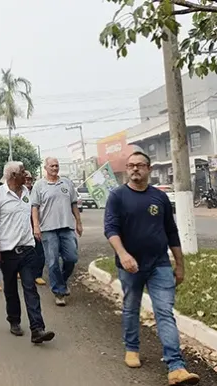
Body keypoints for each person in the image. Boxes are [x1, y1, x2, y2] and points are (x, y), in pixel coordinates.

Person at [104, 152, 200, 385]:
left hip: (159, 264)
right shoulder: (117, 196)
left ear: (149, 168)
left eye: (139, 165)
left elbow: (171, 232)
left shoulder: (160, 197)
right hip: (131, 267)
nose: (134, 169)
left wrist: (180, 265)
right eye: (130, 165)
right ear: (127, 169)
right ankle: (132, 348)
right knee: (131, 307)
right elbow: (111, 229)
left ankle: (176, 366)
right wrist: (123, 254)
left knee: (165, 312)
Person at [0, 161, 55, 344]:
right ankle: (14, 320)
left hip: (27, 249)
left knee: (30, 288)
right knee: (10, 289)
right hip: (7, 252)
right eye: (23, 172)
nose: (26, 175)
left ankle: (37, 328)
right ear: (13, 176)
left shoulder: (27, 193)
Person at [31, 157, 83, 306]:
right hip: (48, 229)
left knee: (71, 258)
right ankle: (59, 292)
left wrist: (78, 222)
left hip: (67, 227)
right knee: (53, 262)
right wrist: (36, 226)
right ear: (45, 168)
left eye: (57, 166)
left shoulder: (66, 182)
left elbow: (73, 204)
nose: (55, 168)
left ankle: (61, 281)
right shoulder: (39, 185)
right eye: (52, 166)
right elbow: (34, 206)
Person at [24, 171, 46, 286]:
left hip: (37, 225)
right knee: (23, 251)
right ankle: (21, 271)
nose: (28, 181)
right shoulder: (18, 192)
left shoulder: (37, 190)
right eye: (26, 179)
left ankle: (38, 275)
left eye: (30, 179)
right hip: (22, 226)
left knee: (39, 251)